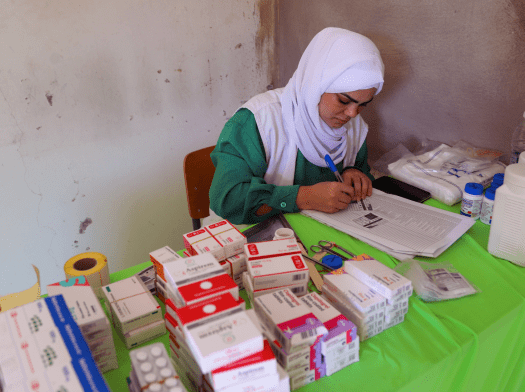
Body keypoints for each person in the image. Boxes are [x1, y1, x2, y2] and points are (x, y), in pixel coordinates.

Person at [209, 27, 385, 225]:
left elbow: (358, 169)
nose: (352, 114)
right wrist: (303, 197)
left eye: (363, 105)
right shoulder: (258, 121)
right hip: (249, 237)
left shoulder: (355, 127)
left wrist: (353, 173)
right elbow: (228, 200)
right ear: (316, 84)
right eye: (344, 101)